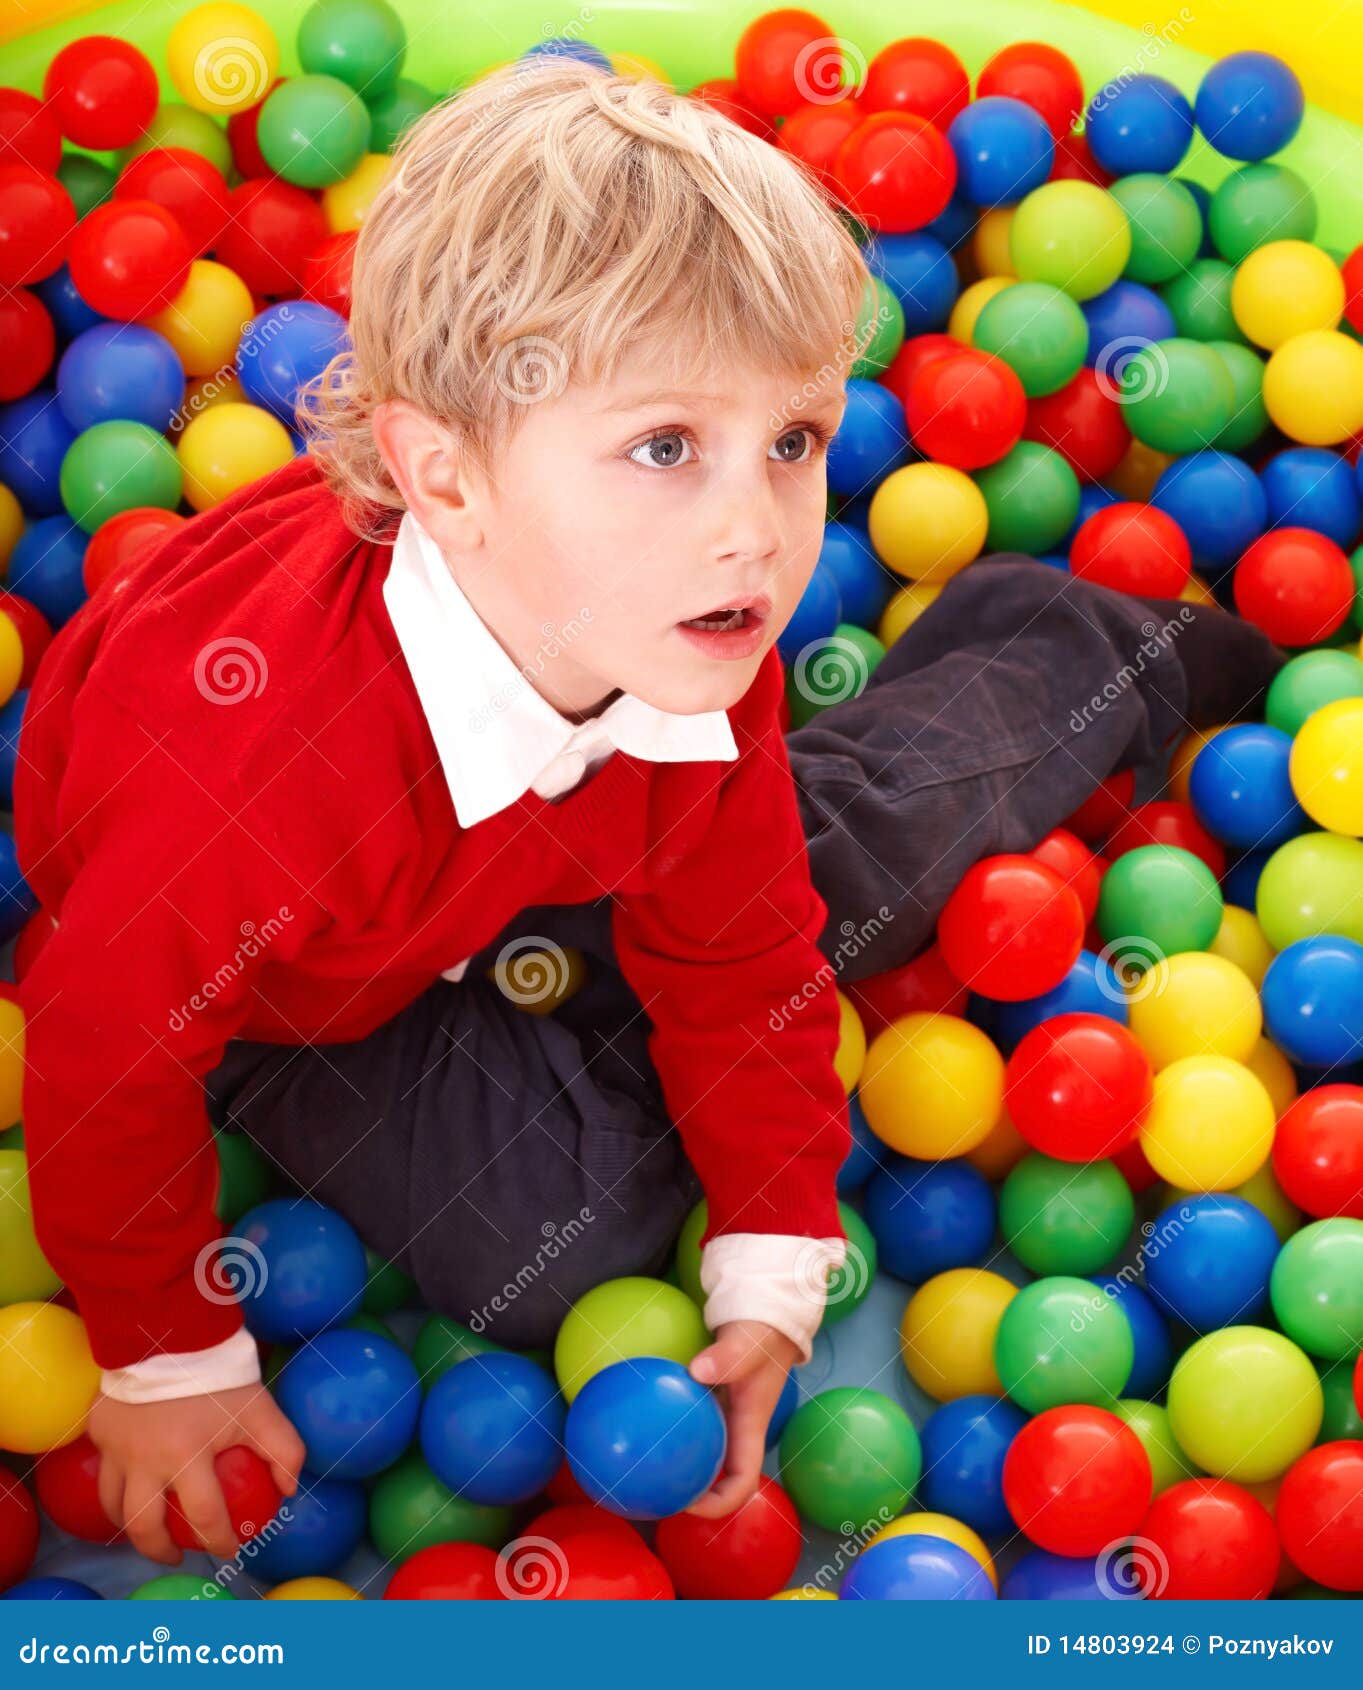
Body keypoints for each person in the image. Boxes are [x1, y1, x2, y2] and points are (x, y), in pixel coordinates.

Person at [14, 60, 1285, 1574]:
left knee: (847, 870)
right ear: (447, 477)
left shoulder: (688, 629)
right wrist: (167, 1355)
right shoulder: (255, 772)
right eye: (667, 448)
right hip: (299, 993)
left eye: (793, 442)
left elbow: (746, 961)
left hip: (522, 864)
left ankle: (1073, 642)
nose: (757, 530)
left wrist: (771, 1242)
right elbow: (102, 1057)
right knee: (554, 1240)